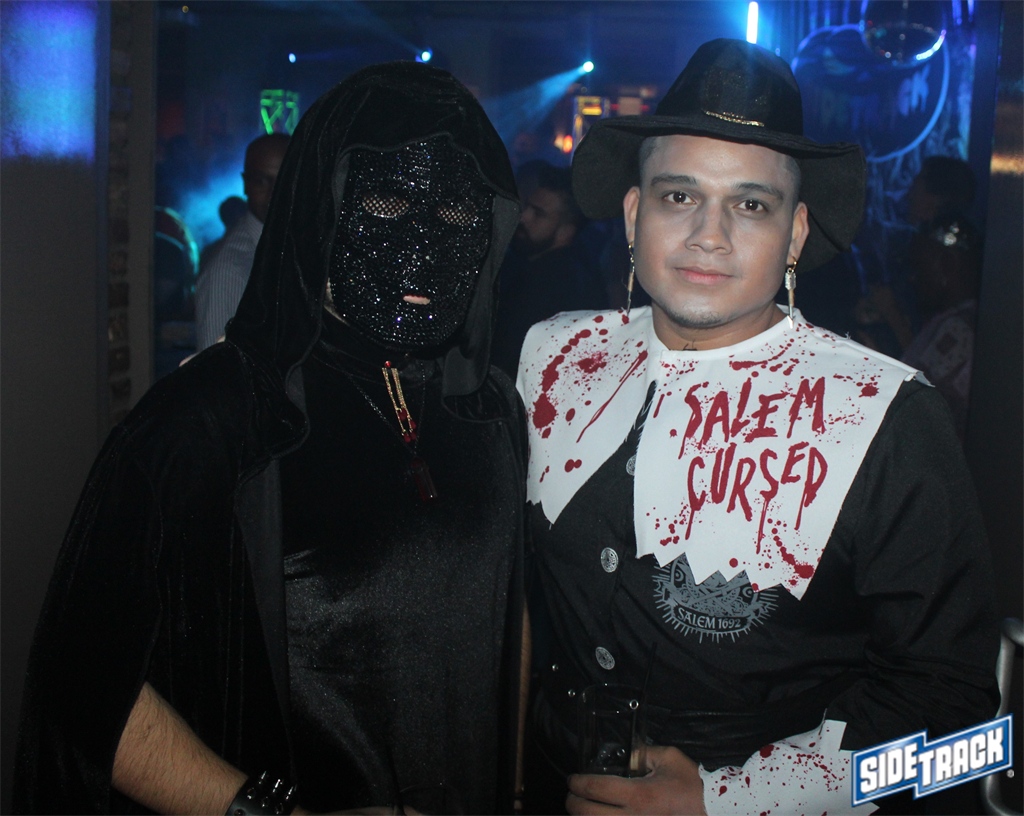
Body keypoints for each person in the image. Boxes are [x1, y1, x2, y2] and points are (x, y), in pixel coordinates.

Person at [14, 62, 526, 815]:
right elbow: (85, 686)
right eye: (387, 200)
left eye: (454, 213)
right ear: (323, 205)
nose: (423, 240)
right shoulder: (213, 420)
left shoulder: (488, 408)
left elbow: (507, 625)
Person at [516, 39, 997, 815]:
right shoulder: (553, 357)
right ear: (634, 214)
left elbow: (965, 731)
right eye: (679, 195)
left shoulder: (887, 415)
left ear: (797, 233)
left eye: (750, 204)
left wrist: (730, 800)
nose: (709, 234)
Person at [492, 162, 608, 377]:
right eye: (527, 207)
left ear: (565, 232)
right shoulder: (534, 269)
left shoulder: (550, 284)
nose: (524, 217)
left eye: (538, 214)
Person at [195, 133, 289, 350]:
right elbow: (213, 364)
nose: (273, 194)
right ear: (246, 184)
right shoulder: (229, 271)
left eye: (284, 181)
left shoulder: (291, 248)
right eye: (261, 181)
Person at [901, 213, 983, 442]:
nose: (913, 278)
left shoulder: (959, 328)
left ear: (947, 266)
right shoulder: (954, 319)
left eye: (919, 267)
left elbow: (912, 406)